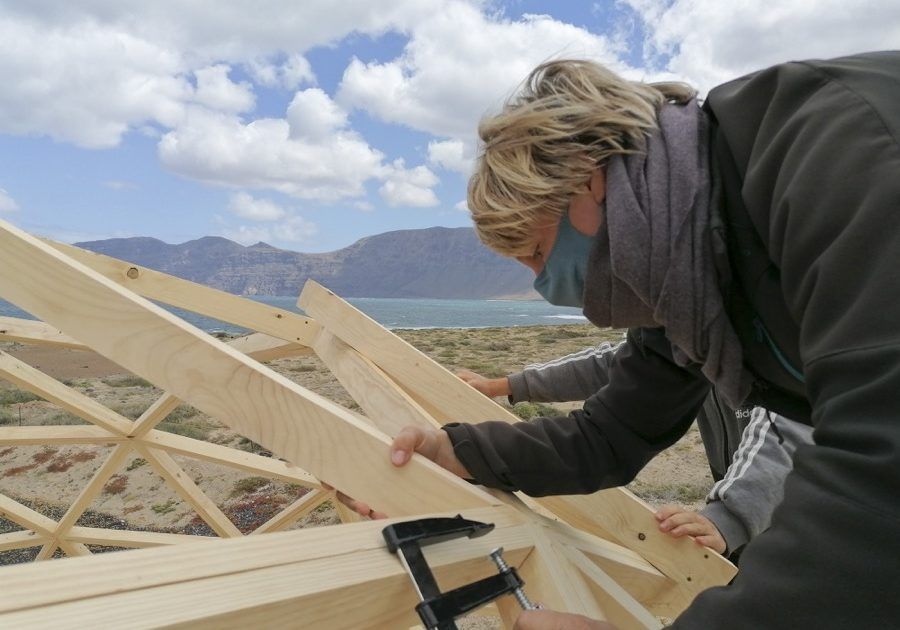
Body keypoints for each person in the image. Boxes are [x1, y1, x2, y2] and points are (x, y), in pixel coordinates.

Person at [377, 51, 900, 629]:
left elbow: (879, 473)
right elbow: (610, 436)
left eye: (535, 253)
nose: (543, 284)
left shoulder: (834, 156)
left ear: (587, 178)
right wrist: (459, 452)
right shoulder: (683, 276)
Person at [458, 340, 814, 559]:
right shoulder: (695, 324)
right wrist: (503, 385)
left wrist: (728, 517)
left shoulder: (774, 329)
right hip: (746, 507)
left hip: (813, 510)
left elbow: (785, 425)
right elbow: (615, 363)